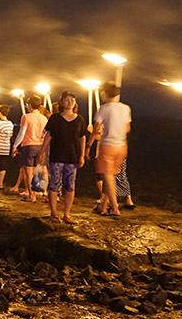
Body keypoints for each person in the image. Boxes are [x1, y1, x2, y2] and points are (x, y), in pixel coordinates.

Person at [41, 91, 86, 222]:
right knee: (54, 184)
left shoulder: (80, 120)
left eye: (72, 100)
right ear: (61, 102)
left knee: (70, 186)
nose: (70, 102)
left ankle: (67, 214)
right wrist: (42, 152)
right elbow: (49, 135)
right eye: (67, 100)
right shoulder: (55, 118)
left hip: (72, 157)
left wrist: (82, 155)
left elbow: (82, 137)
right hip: (56, 156)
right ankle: (54, 213)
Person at [92, 82, 130, 217]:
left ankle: (114, 207)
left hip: (108, 145)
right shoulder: (126, 108)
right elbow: (127, 128)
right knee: (111, 177)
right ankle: (103, 206)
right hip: (122, 146)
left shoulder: (104, 108)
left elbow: (96, 128)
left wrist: (89, 145)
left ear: (105, 93)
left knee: (107, 176)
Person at [11, 95, 48, 202]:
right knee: (38, 171)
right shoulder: (44, 118)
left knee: (28, 172)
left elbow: (22, 133)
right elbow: (45, 133)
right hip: (40, 146)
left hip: (28, 146)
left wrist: (15, 146)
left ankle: (31, 195)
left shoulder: (26, 117)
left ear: (30, 105)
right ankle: (38, 191)